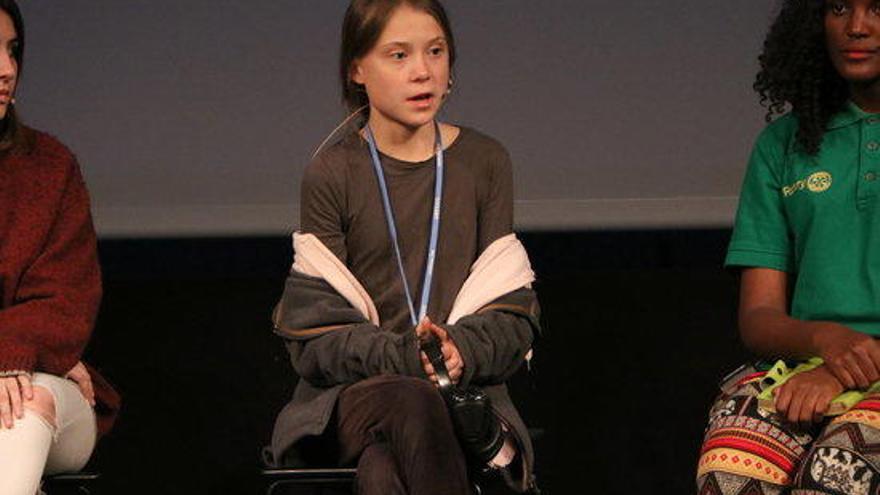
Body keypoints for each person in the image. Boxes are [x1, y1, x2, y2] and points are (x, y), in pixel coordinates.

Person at [264, 1, 541, 493]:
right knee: (411, 400)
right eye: (398, 55)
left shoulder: (484, 162)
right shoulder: (332, 174)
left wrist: (459, 349)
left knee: (382, 473)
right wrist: (407, 358)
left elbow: (512, 313)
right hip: (354, 401)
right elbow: (314, 338)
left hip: (462, 396)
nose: (422, 71)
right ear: (356, 70)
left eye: (435, 52)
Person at [697, 1, 880, 493]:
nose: (857, 27)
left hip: (850, 374)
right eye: (839, 7)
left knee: (835, 472)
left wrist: (843, 371)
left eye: (877, 8)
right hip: (807, 365)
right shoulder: (784, 144)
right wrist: (824, 343)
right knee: (730, 473)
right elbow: (759, 317)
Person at [0, 1, 120, 494]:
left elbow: (64, 304)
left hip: (41, 387)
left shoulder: (48, 166)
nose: (7, 70)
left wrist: (18, 354)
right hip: (30, 360)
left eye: (12, 51)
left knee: (21, 408)